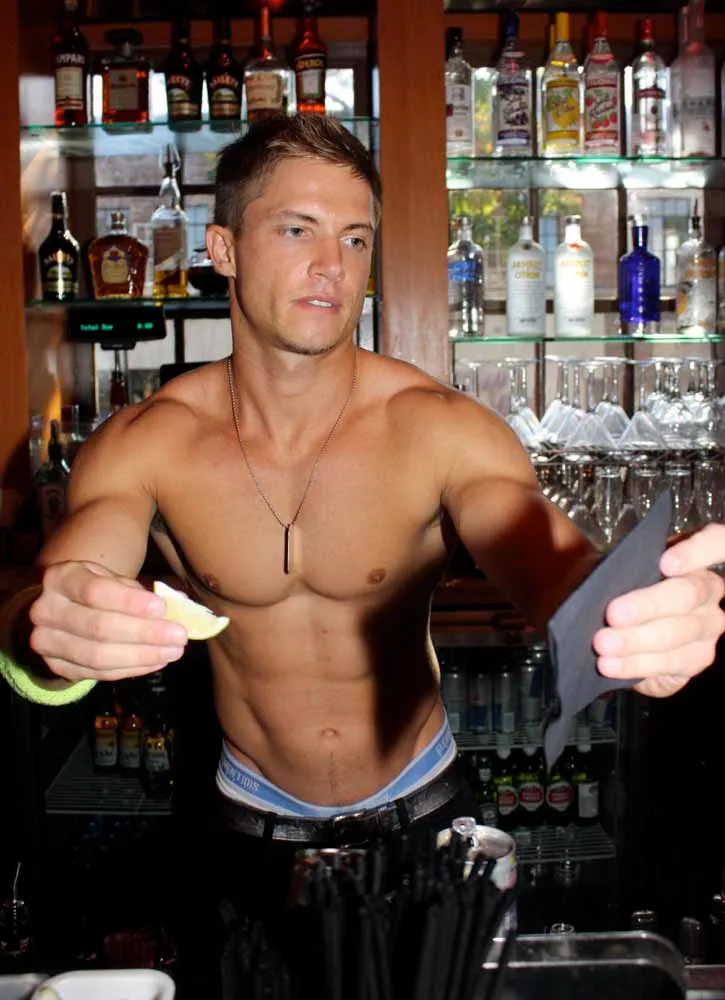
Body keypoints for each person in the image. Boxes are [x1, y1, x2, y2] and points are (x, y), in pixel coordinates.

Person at [3, 114, 725, 973]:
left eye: (354, 238)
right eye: (296, 230)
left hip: (424, 822)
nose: (331, 265)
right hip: (244, 830)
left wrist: (623, 613)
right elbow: (64, 583)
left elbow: (546, 559)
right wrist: (49, 635)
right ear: (223, 249)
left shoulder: (437, 428)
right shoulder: (147, 442)